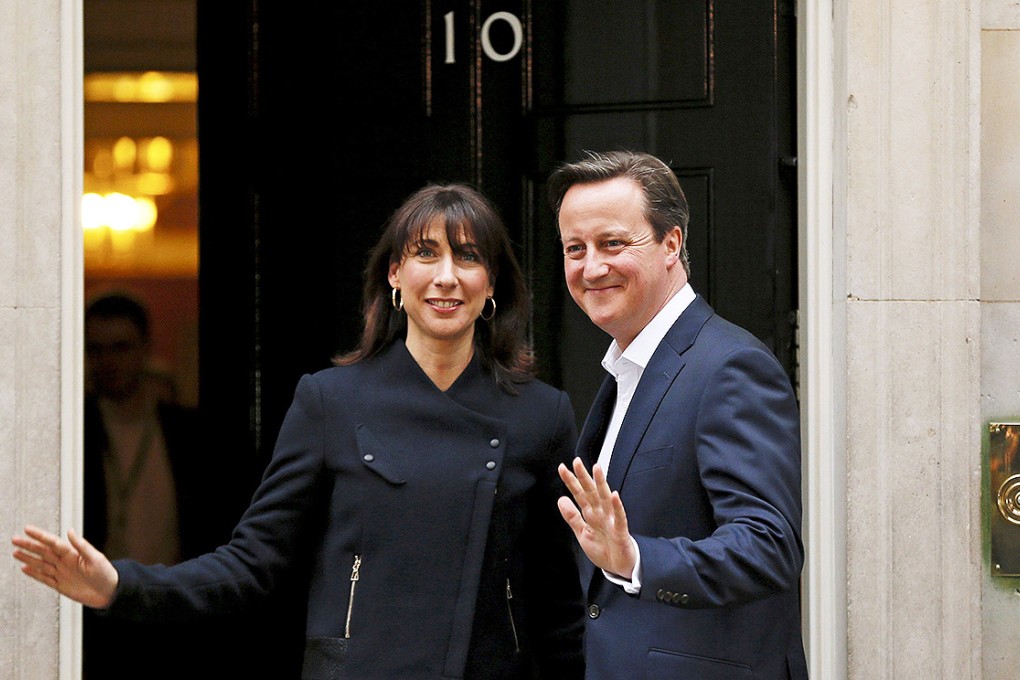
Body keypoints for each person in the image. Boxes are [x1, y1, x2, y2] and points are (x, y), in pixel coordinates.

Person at [14, 183, 586, 680]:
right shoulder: (331, 400)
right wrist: (121, 585)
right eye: (425, 254)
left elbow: (560, 605)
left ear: (492, 285)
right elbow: (252, 562)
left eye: (468, 257)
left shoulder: (539, 415)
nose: (445, 277)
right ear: (394, 274)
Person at [547, 150, 808, 679]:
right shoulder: (628, 369)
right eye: (576, 248)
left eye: (613, 243)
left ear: (672, 243)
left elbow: (769, 544)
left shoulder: (729, 367)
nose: (591, 267)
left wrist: (636, 559)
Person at [81, 291, 233, 678]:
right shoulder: (74, 432)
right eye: (96, 349)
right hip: (98, 614)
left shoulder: (189, 434)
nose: (108, 361)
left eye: (120, 347)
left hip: (175, 610)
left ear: (144, 349)